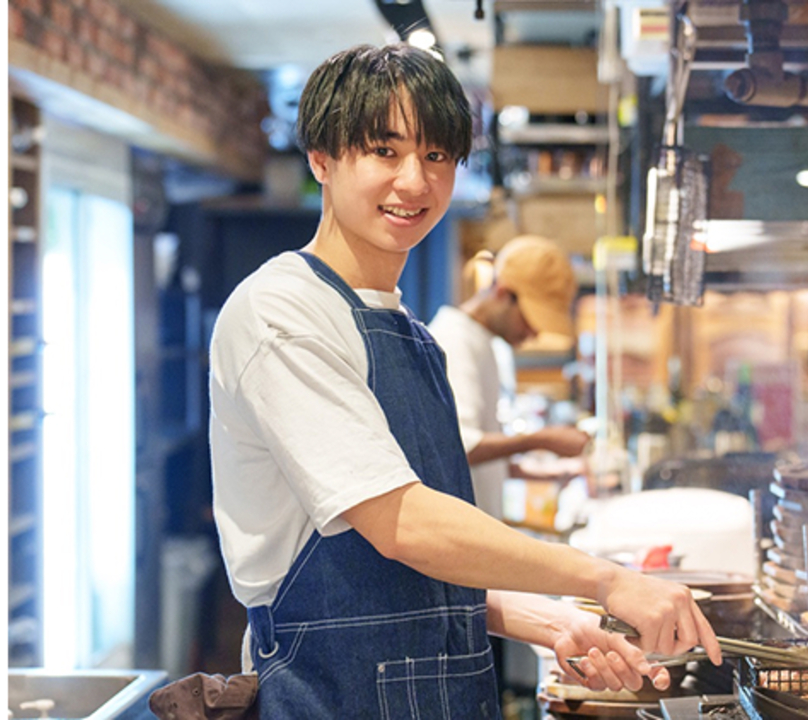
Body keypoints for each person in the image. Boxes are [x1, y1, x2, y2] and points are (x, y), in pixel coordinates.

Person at [207, 43, 721, 718]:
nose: (415, 182)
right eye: (385, 151)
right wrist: (604, 578)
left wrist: (548, 619)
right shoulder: (281, 312)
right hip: (334, 696)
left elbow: (403, 581)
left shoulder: (414, 337)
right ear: (322, 159)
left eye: (437, 156)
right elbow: (400, 525)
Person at [426, 235, 591, 520]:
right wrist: (543, 439)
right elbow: (461, 446)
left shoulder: (483, 343)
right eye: (530, 318)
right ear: (502, 293)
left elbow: (480, 459)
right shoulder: (454, 342)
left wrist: (539, 472)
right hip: (461, 535)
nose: (534, 333)